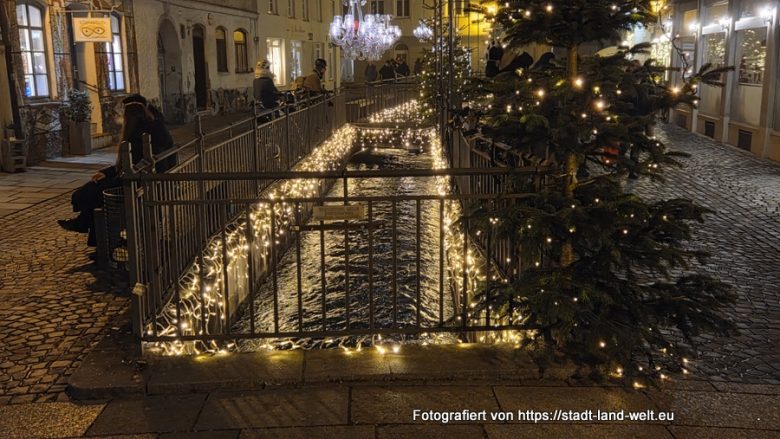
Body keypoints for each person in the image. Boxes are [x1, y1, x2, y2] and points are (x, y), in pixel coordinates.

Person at [58, 94, 177, 248]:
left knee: (91, 193)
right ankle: (87, 226)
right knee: (94, 190)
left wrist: (111, 174)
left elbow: (134, 163)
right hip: (140, 179)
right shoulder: (152, 127)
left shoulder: (141, 134)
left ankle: (87, 227)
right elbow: (128, 163)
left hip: (140, 183)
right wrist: (106, 173)